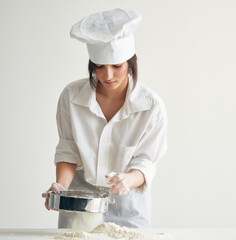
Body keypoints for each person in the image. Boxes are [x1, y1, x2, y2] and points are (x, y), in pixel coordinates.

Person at [41, 8, 167, 229]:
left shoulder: (151, 107)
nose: (107, 76)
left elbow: (146, 163)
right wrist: (60, 186)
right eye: (99, 67)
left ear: (130, 63)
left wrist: (127, 180)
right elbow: (68, 149)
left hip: (129, 209)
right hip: (79, 207)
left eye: (116, 66)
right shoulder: (71, 97)